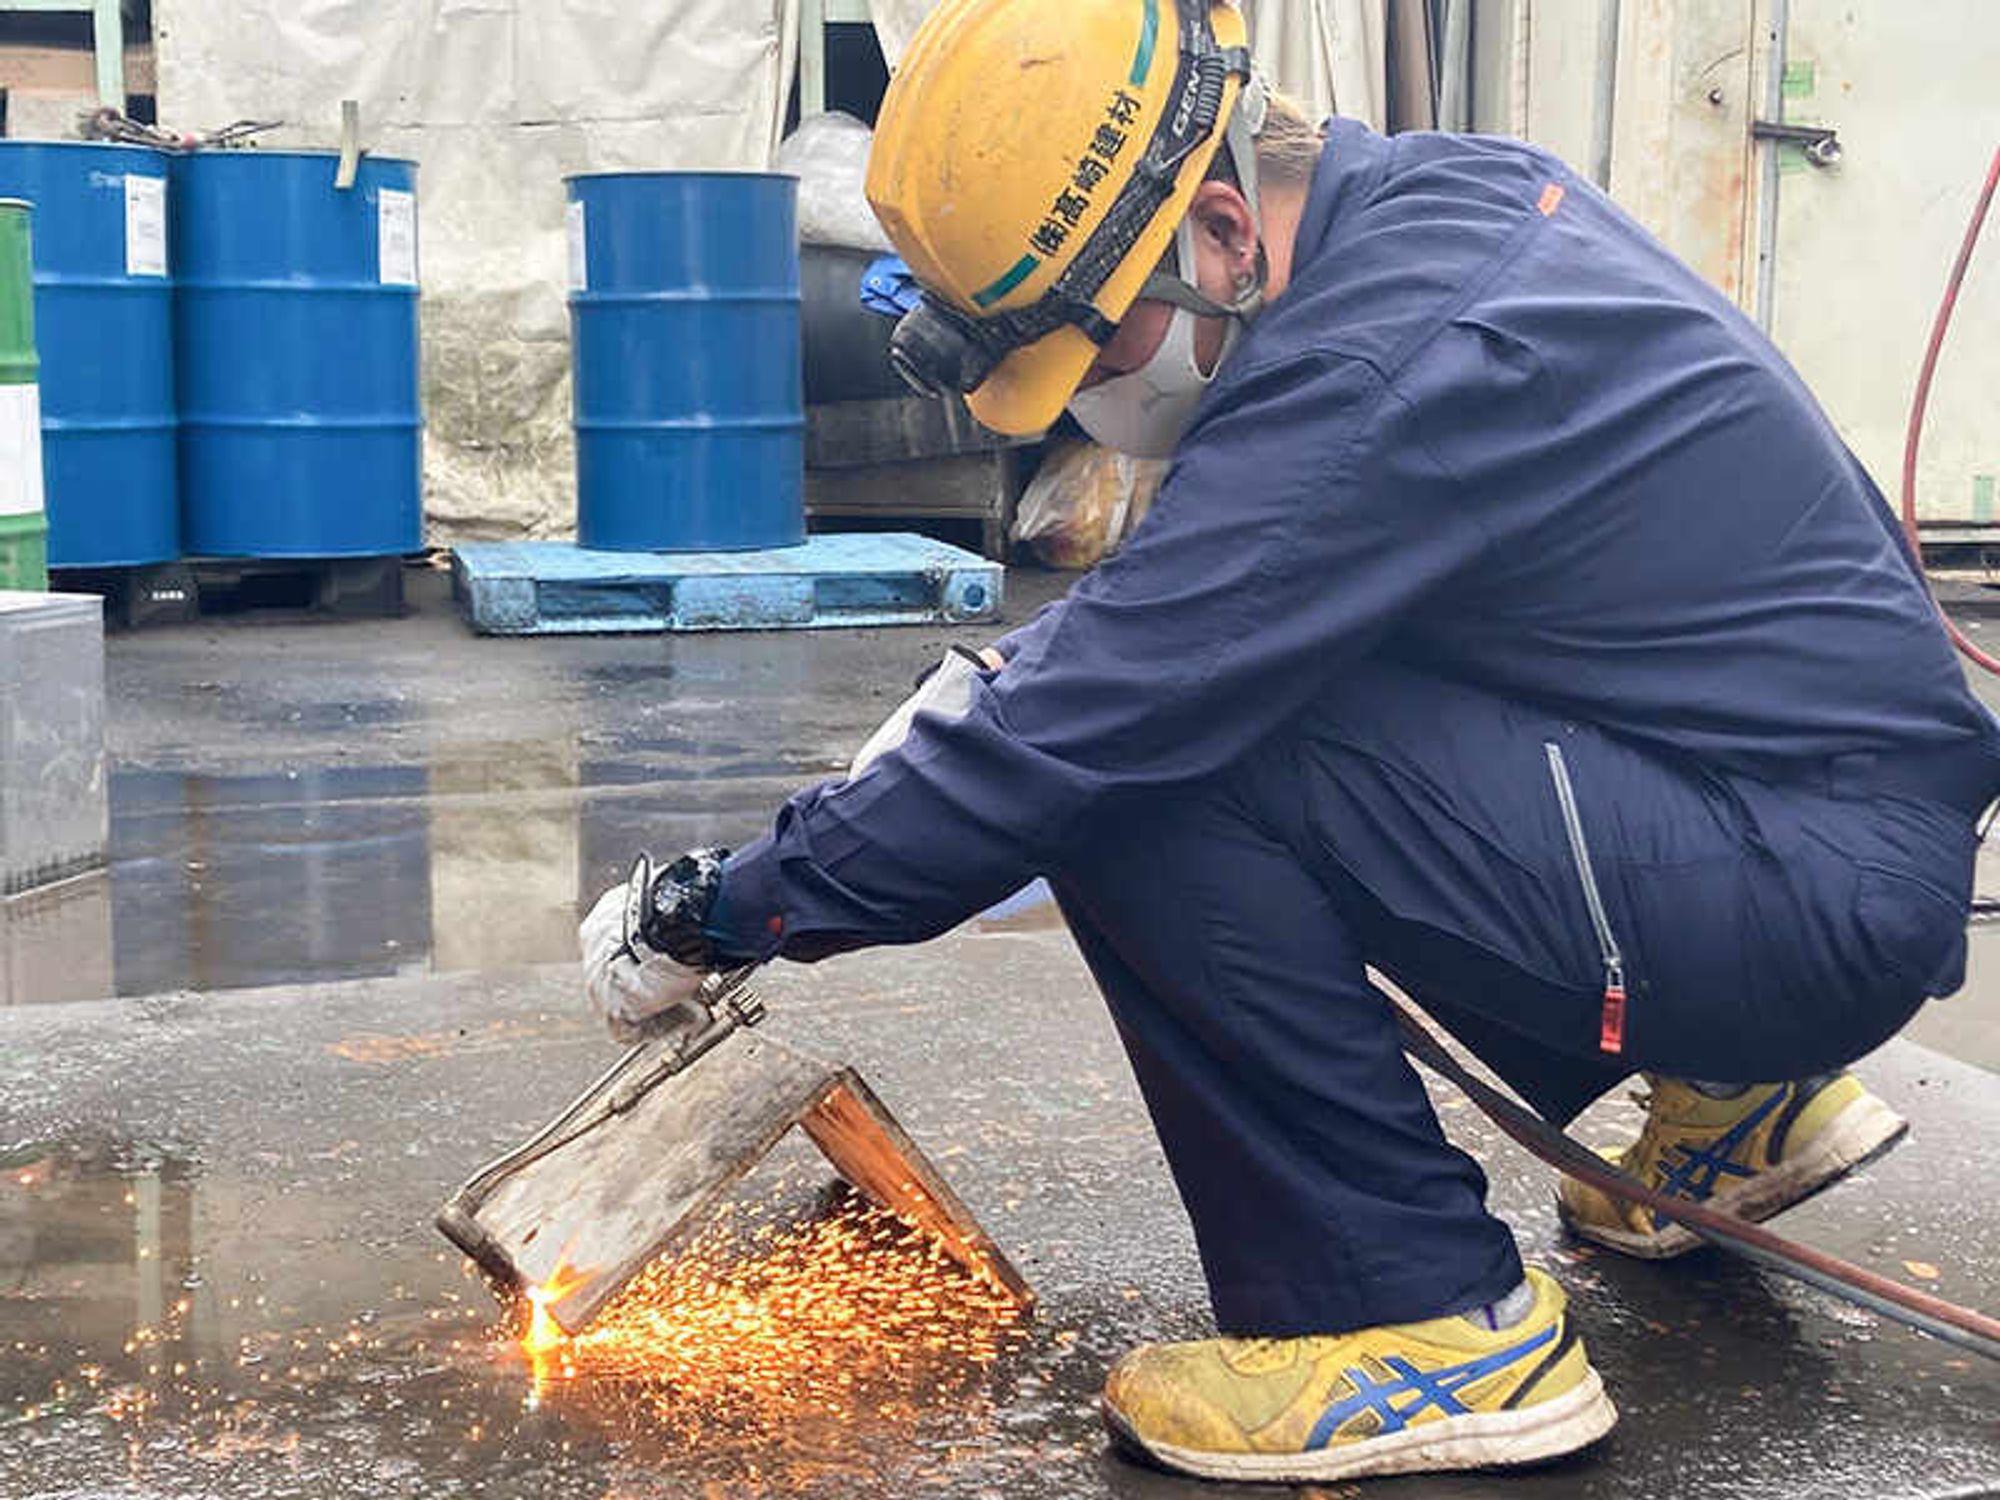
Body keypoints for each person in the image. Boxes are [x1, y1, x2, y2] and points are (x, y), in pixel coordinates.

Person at [578, 0, 2000, 1483]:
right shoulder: (1426, 200)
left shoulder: (1385, 363)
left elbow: (1098, 716)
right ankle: (1732, 1095)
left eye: (1093, 343)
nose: (1086, 399)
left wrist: (725, 905)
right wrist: (1019, 694)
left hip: (1797, 888)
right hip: (1790, 815)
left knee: (1140, 777)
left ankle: (1418, 1320)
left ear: (1216, 227)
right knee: (1164, 690)